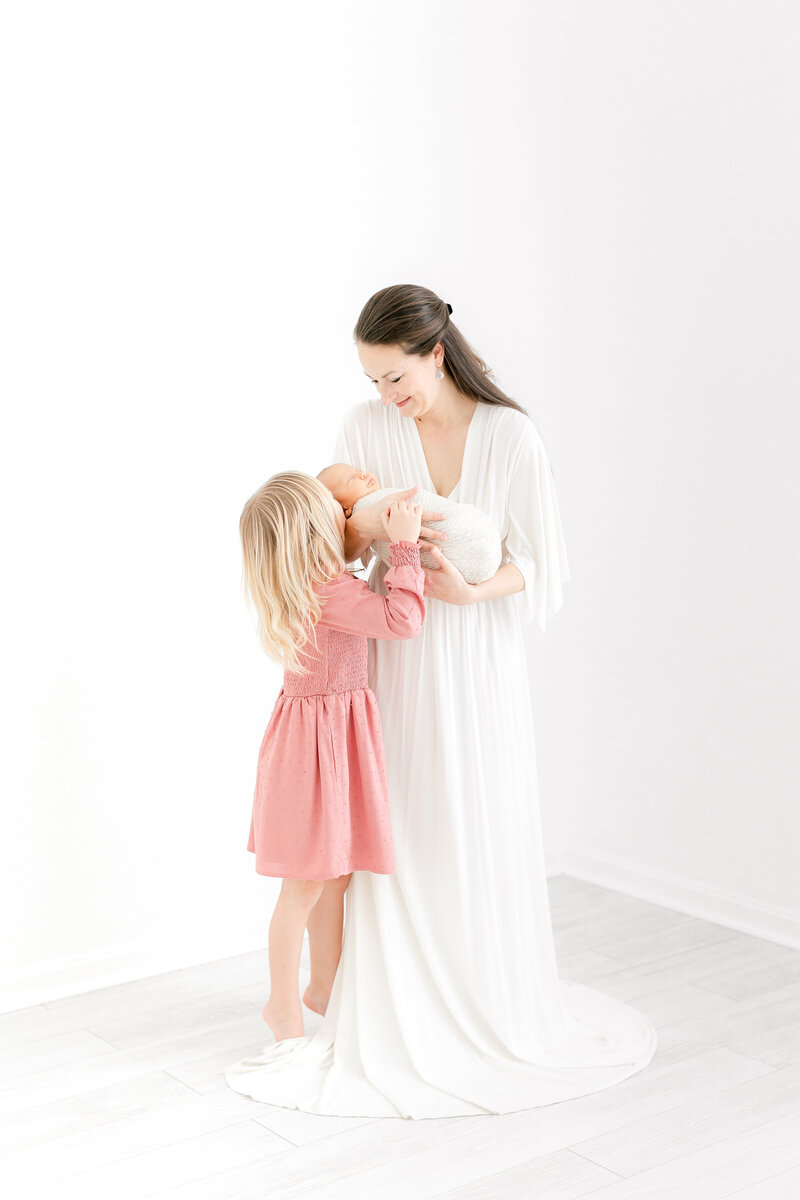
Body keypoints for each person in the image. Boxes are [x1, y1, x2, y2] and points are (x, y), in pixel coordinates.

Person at [225, 285, 657, 1118]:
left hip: (471, 655)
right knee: (389, 835)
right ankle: (363, 999)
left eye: (396, 378)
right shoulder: (363, 429)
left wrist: (465, 591)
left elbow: (537, 564)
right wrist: (377, 544)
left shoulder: (511, 437)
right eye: (373, 380)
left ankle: (474, 996)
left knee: (468, 818)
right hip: (384, 667)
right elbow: (338, 537)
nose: (386, 397)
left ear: (435, 352)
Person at [236, 469, 426, 1045]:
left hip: (317, 747)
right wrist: (405, 546)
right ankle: (281, 1005)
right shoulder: (328, 590)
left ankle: (323, 987)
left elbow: (340, 554)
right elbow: (403, 620)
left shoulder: (305, 581)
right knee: (304, 886)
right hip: (319, 753)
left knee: (332, 877)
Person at [317, 460, 503, 582]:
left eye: (358, 471)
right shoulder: (364, 508)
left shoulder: (387, 496)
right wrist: (359, 524)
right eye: (350, 480)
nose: (363, 474)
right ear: (345, 510)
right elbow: (343, 553)